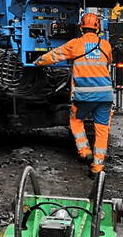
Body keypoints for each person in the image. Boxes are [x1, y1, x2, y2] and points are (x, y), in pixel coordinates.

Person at [35, 12, 114, 175]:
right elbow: (109, 61)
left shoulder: (75, 44)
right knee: (102, 129)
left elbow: (55, 55)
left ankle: (84, 151)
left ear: (81, 27)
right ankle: (98, 166)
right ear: (98, 28)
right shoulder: (105, 45)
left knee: (76, 120)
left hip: (84, 96)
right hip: (105, 95)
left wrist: (38, 61)